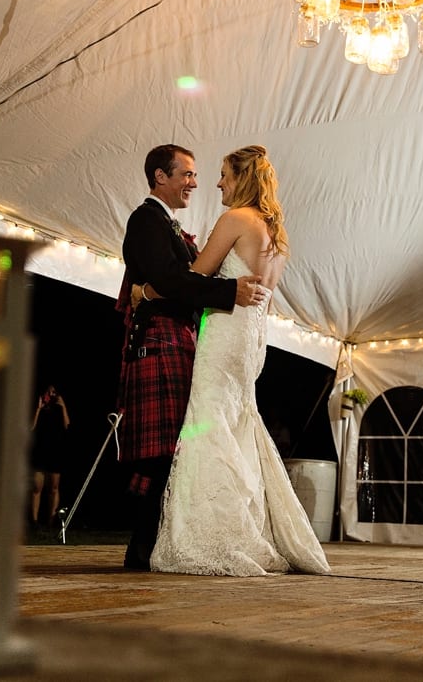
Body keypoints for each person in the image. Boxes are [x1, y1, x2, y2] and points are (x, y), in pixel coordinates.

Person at [135, 145, 329, 576]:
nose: (217, 183)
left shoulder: (236, 219)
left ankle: (215, 532)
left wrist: (145, 292)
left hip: (224, 334)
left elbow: (193, 277)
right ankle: (249, 523)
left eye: (223, 174)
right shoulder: (275, 234)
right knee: (238, 421)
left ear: (242, 178)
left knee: (208, 423)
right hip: (251, 340)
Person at [116, 143, 266, 570]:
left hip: (176, 338)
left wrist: (147, 291)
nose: (195, 183)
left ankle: (149, 544)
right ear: (160, 177)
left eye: (197, 174)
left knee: (172, 449)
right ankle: (142, 546)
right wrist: (227, 291)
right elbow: (172, 280)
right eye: (186, 174)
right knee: (160, 451)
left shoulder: (168, 224)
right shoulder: (145, 219)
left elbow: (173, 281)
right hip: (159, 339)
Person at [30, 384, 69, 526]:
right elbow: (31, 427)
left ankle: (51, 520)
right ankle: (34, 521)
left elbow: (67, 426)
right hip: (40, 450)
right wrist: (38, 409)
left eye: (54, 392)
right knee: (37, 486)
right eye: (49, 392)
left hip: (55, 451)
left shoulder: (59, 409)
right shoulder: (38, 408)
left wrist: (63, 406)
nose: (51, 395)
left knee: (53, 487)